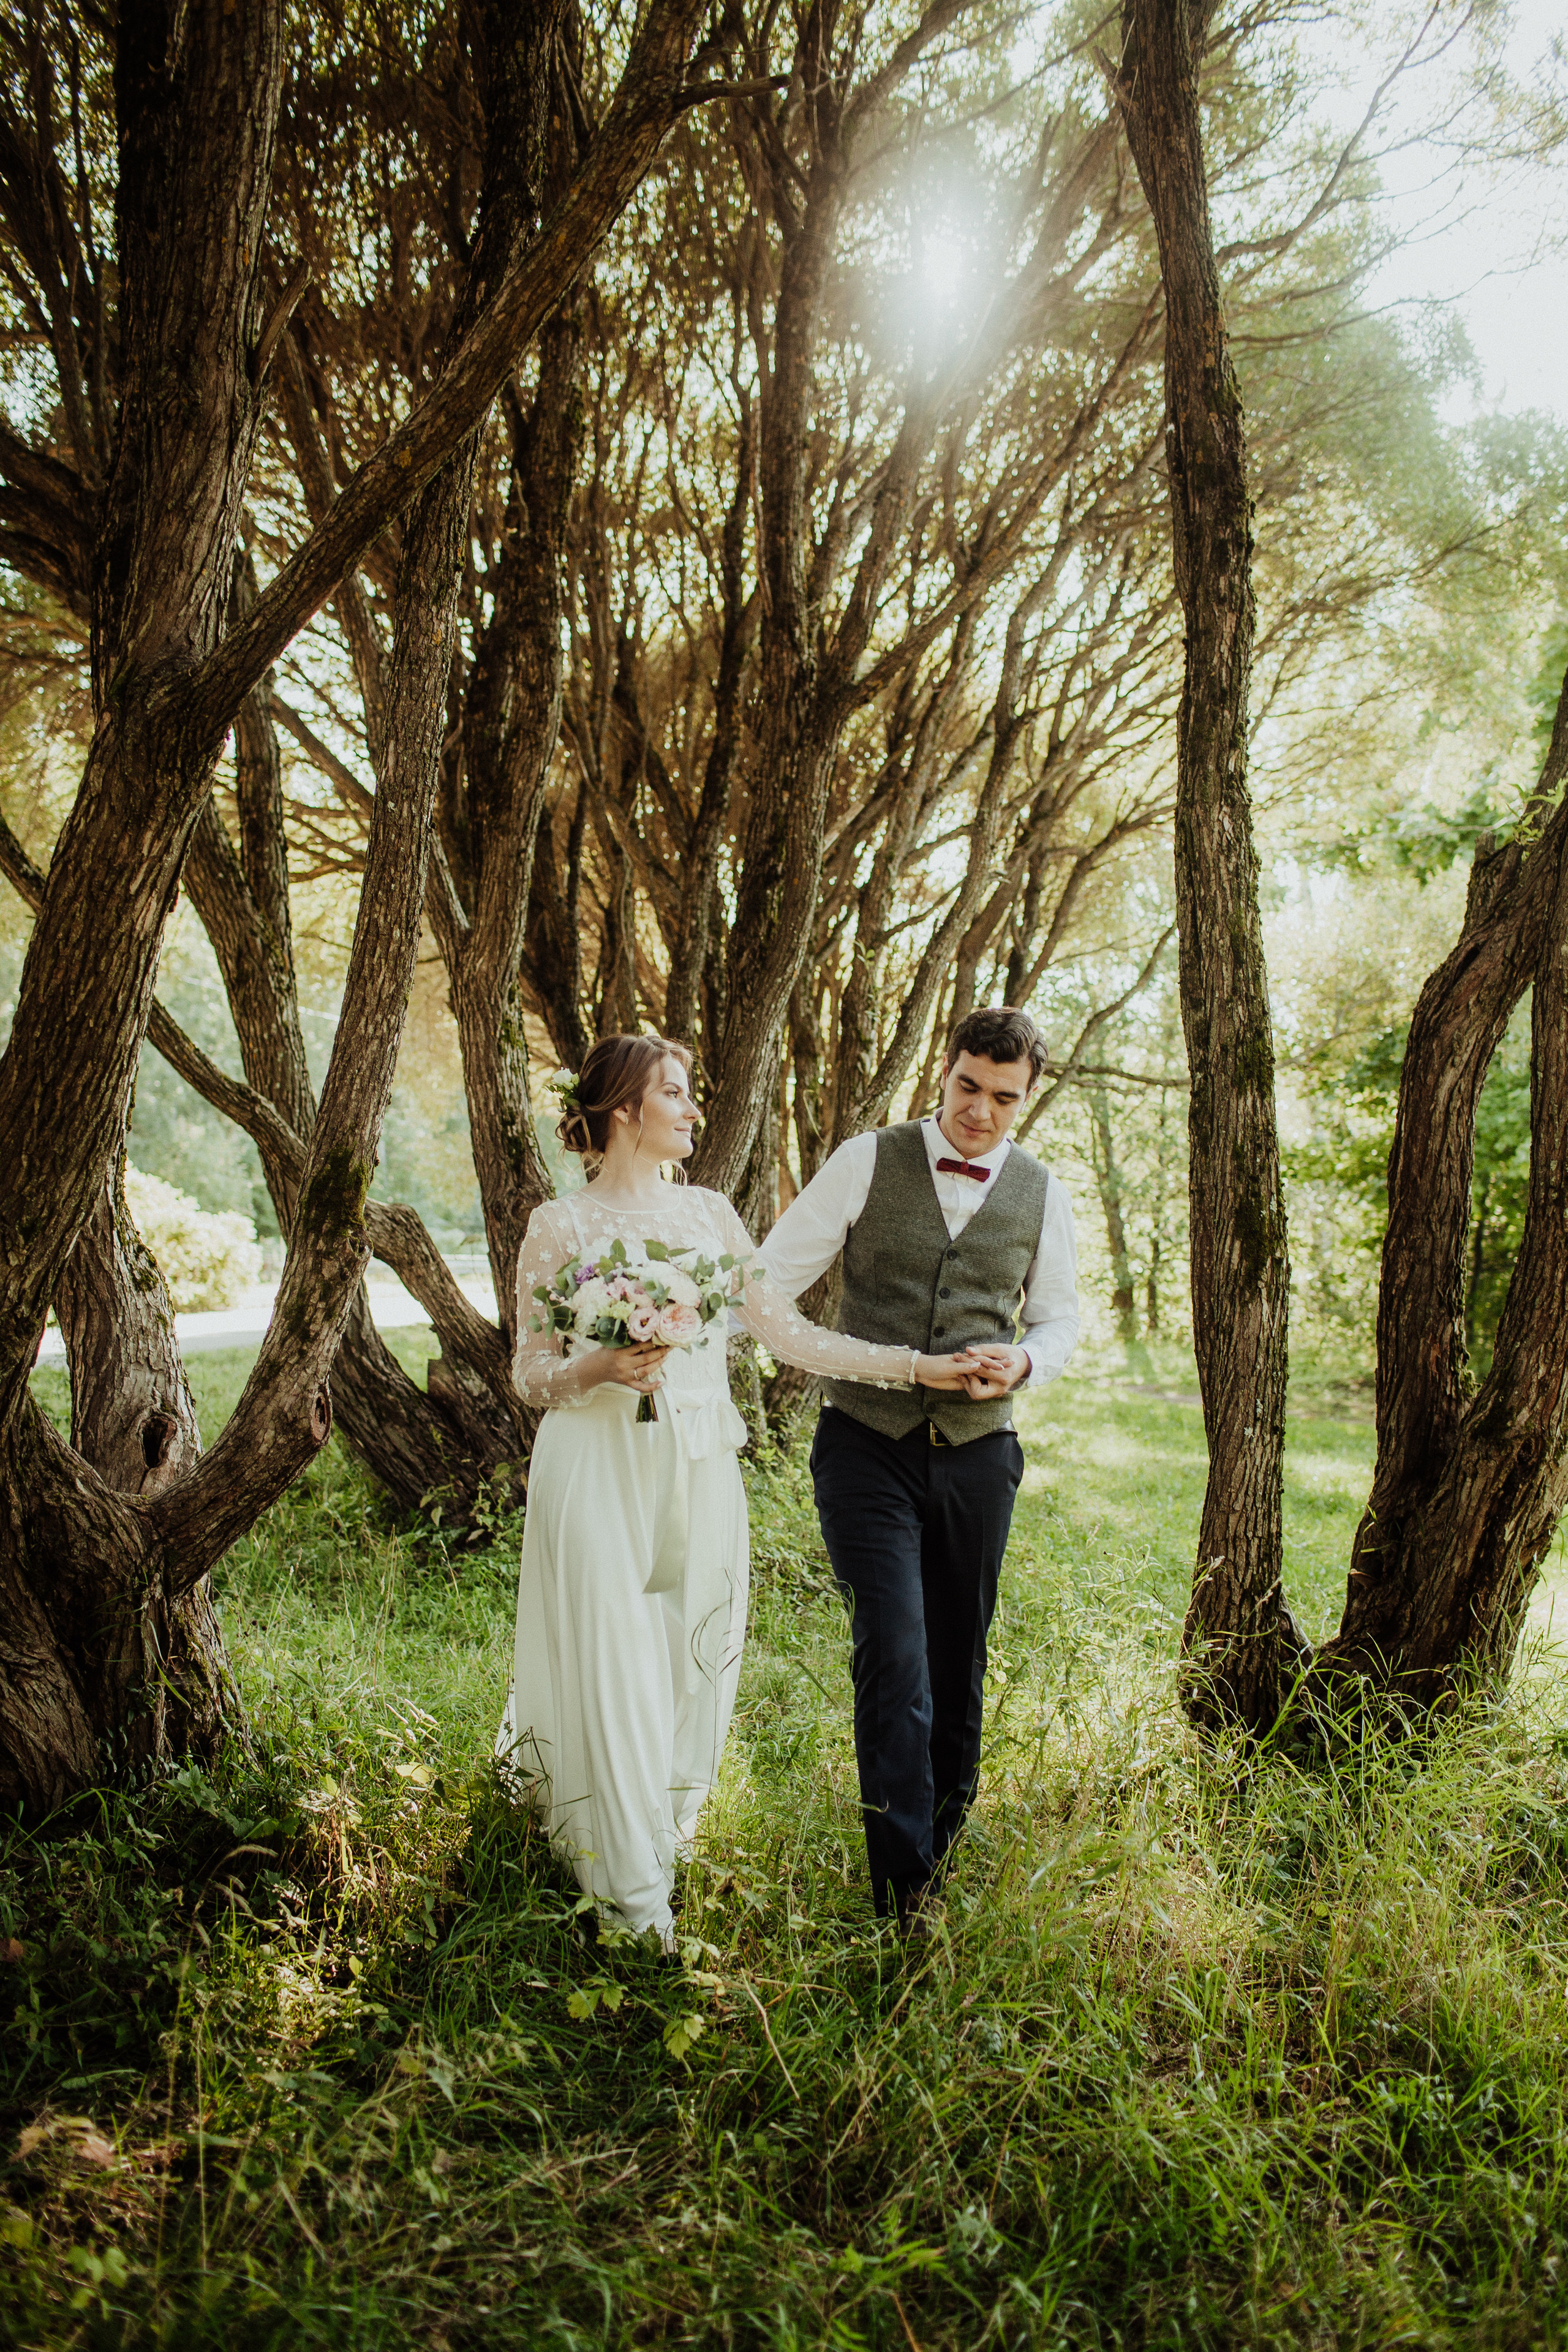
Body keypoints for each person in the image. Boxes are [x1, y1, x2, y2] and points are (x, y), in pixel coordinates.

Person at [496, 1033, 975, 1951]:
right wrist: (598, 1363)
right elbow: (526, 1374)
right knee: (613, 1658)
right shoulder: (557, 1226)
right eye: (674, 1093)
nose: (692, 1109)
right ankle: (633, 1901)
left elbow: (789, 1335)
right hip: (597, 1470)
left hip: (701, 1467)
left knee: (686, 1657)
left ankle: (658, 1829)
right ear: (626, 1109)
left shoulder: (712, 1217)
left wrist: (915, 1366)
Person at [758, 1005, 1079, 1936]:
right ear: (946, 1072)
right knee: (894, 1655)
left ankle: (940, 1844)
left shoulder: (1042, 1190)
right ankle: (905, 1896)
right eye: (968, 1087)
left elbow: (1059, 1318)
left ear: (1027, 1097)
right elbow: (769, 1289)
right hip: (866, 1445)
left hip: (981, 1458)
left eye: (1003, 1098)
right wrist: (897, 1365)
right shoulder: (868, 1157)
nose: (980, 1112)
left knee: (957, 1657)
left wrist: (1023, 1363)